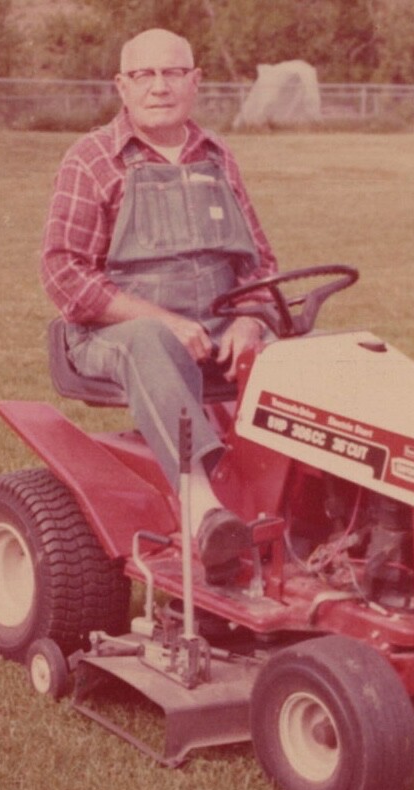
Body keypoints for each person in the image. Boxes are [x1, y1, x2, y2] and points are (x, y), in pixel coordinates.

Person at [40, 29, 277, 580]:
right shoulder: (93, 159)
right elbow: (63, 275)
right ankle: (204, 511)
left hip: (219, 329)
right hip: (113, 334)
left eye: (172, 73)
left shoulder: (218, 157)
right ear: (122, 86)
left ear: (195, 81)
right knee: (153, 342)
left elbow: (259, 263)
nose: (159, 87)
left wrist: (247, 318)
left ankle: (319, 511)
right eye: (144, 74)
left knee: (321, 354)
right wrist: (163, 320)